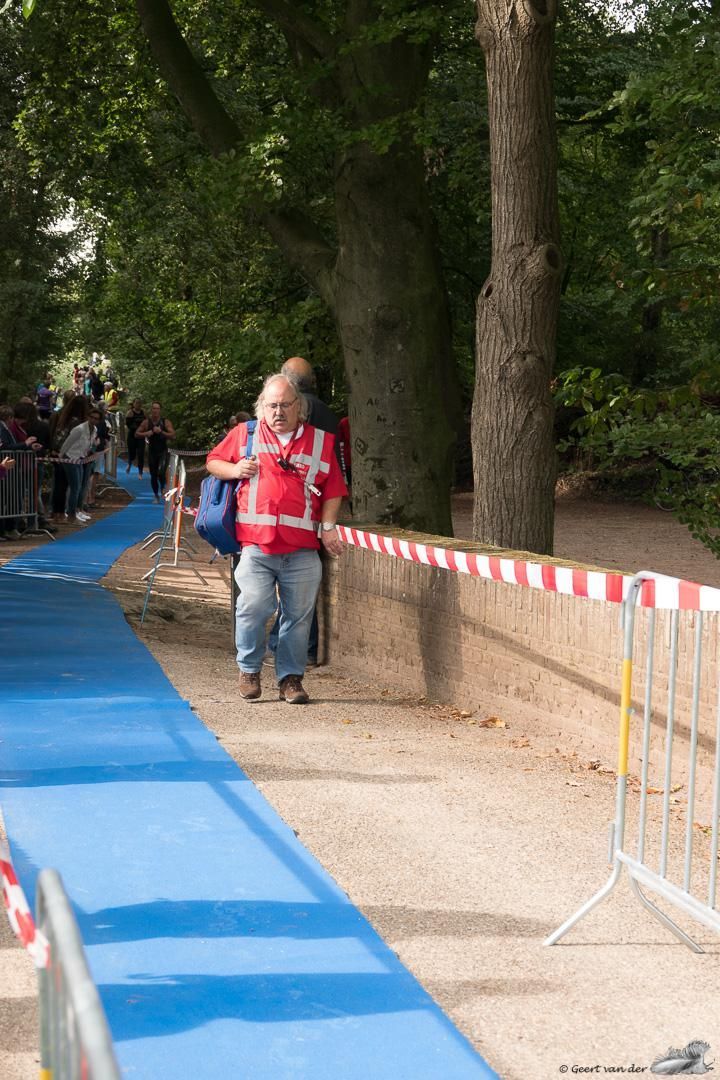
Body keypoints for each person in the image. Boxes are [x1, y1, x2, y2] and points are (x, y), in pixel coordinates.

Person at [206, 373, 346, 704]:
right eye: (271, 405)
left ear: (300, 407)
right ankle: (249, 670)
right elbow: (213, 462)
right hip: (256, 543)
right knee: (253, 606)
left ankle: (290, 680)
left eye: (285, 405)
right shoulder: (245, 435)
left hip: (301, 547)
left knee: (299, 617)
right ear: (261, 407)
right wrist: (235, 469)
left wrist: (328, 526)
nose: (278, 412)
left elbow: (334, 488)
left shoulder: (320, 441)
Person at [135, 402, 175, 502]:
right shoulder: (146, 422)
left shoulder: (165, 422)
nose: (155, 411)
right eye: (153, 408)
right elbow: (136, 434)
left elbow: (173, 435)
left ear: (160, 410)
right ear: (151, 410)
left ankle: (162, 487)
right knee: (153, 475)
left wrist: (161, 432)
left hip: (163, 451)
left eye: (157, 409)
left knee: (161, 472)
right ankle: (156, 495)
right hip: (152, 451)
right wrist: (147, 433)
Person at [125, 399, 146, 475]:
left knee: (141, 454)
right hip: (132, 436)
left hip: (141, 436)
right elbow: (128, 425)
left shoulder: (143, 412)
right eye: (136, 403)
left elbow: (146, 422)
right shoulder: (130, 413)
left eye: (140, 403)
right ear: (133, 404)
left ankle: (140, 471)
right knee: (132, 453)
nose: (138, 404)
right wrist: (137, 429)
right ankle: (129, 464)